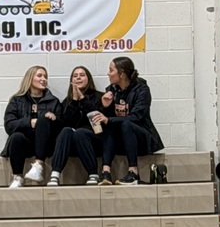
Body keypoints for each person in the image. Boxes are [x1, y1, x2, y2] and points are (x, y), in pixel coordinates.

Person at [96, 56, 163, 185]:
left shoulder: (142, 90)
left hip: (141, 137)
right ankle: (106, 172)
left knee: (125, 124)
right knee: (109, 125)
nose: (108, 74)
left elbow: (137, 117)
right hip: (121, 140)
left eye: (111, 70)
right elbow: (107, 119)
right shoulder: (111, 90)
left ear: (121, 73)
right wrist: (105, 106)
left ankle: (133, 172)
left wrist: (108, 119)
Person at [1, 66, 61, 188]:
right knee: (16, 137)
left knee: (43, 120)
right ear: (30, 78)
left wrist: (54, 119)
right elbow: (9, 125)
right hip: (25, 143)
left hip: (46, 146)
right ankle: (17, 177)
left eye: (45, 76)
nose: (43, 79)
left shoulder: (53, 101)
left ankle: (38, 166)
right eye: (39, 76)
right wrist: (29, 122)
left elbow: (61, 126)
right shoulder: (16, 100)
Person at [47, 66, 104, 187]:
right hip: (73, 142)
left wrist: (82, 99)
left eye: (82, 75)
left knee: (81, 132)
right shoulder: (67, 101)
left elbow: (96, 119)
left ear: (88, 79)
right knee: (66, 130)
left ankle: (93, 174)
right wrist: (74, 100)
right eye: (75, 75)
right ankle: (55, 174)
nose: (78, 77)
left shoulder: (99, 97)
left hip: (95, 139)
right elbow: (66, 123)